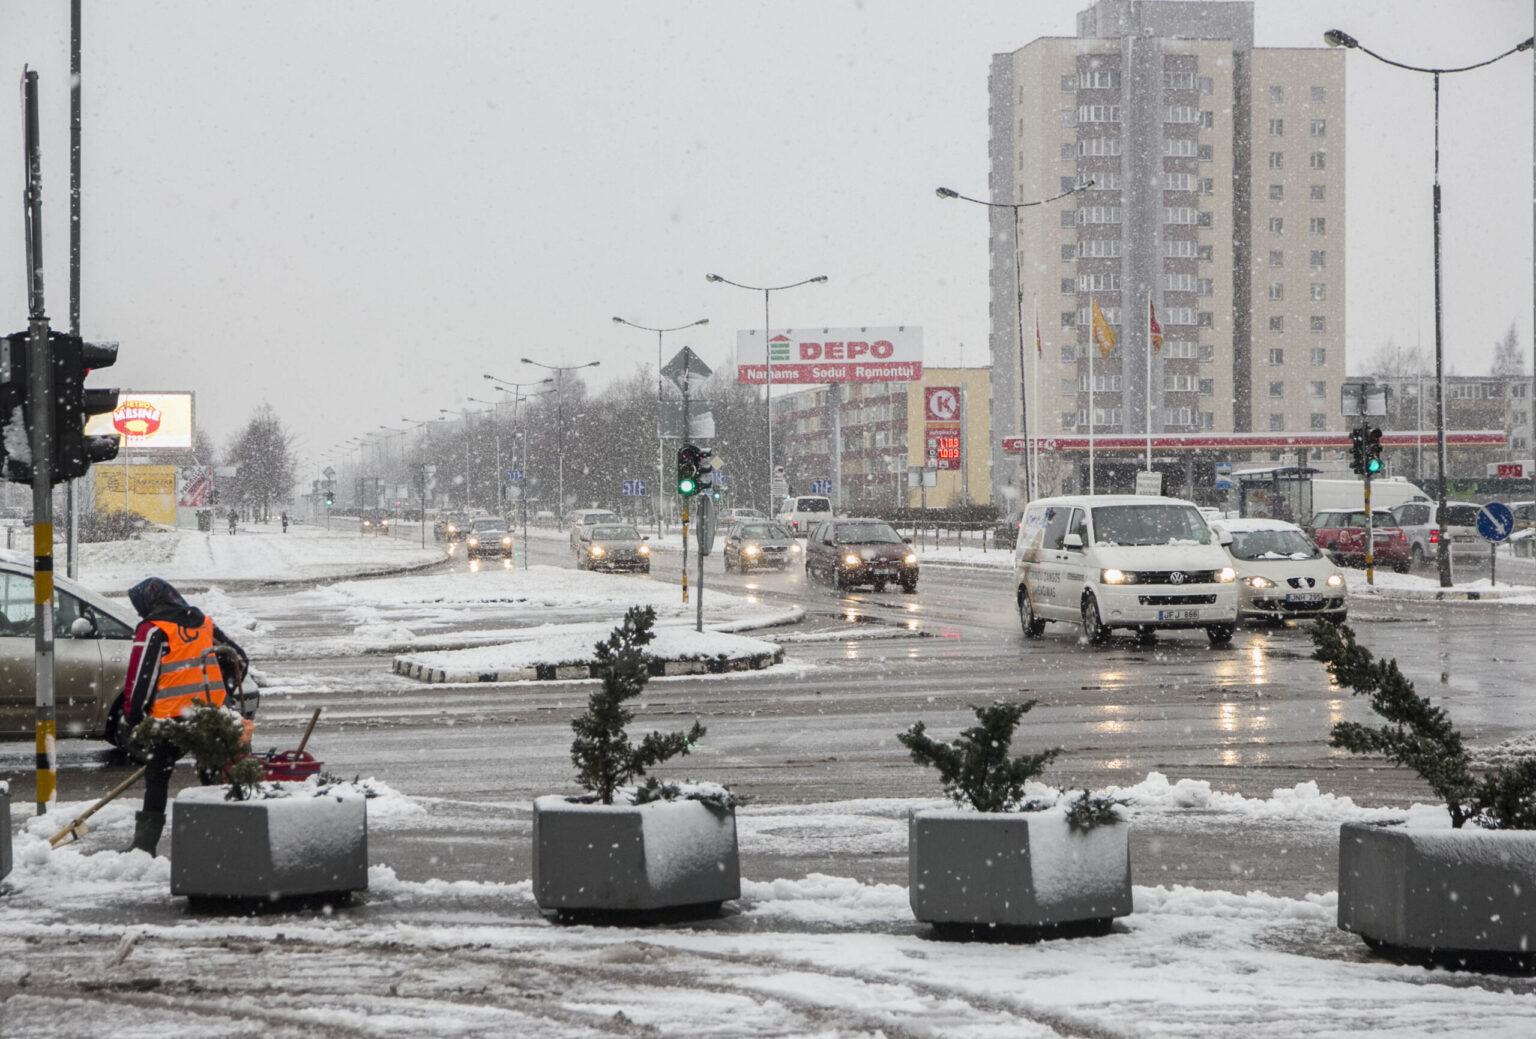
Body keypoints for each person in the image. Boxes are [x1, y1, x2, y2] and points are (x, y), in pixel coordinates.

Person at [120, 577, 249, 856]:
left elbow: (142, 677)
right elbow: (239, 659)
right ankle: (224, 840)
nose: (140, 612)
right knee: (214, 771)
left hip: (172, 720)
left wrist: (134, 717)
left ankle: (144, 846)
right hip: (212, 715)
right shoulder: (203, 623)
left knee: (157, 774)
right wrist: (221, 691)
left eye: (139, 606)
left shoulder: (153, 629)